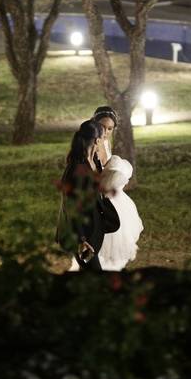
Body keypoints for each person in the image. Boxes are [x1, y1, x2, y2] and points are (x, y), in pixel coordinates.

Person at [78, 106, 144, 271]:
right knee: (93, 248)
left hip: (112, 201)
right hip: (94, 200)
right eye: (102, 127)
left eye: (109, 128)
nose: (105, 132)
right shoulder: (88, 146)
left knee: (109, 252)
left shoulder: (105, 142)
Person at [55, 120, 120, 271]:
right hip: (80, 234)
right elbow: (71, 206)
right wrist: (82, 240)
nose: (105, 140)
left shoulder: (94, 161)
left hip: (93, 229)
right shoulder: (78, 169)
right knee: (95, 277)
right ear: (97, 140)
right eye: (103, 137)